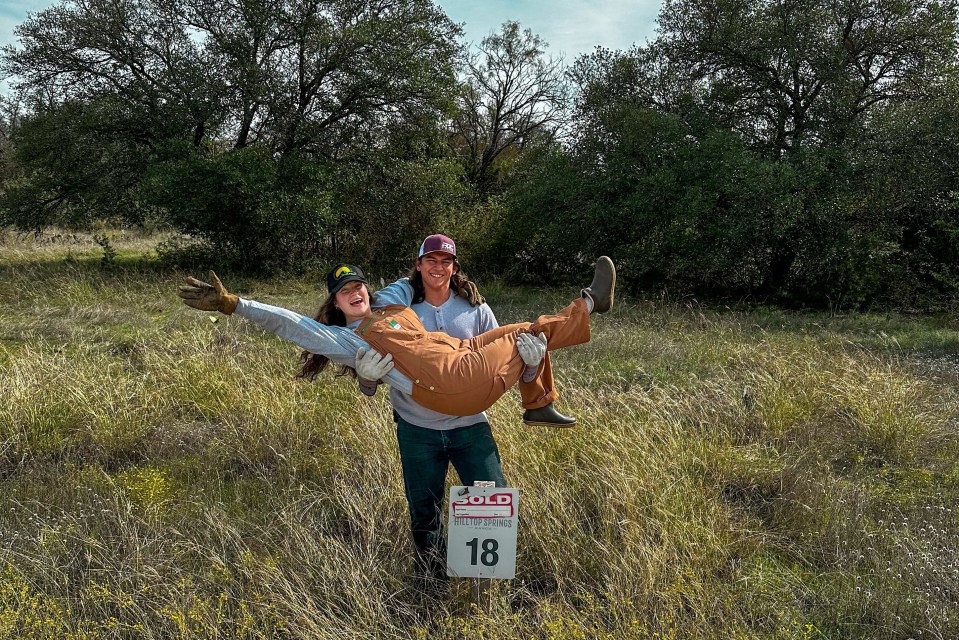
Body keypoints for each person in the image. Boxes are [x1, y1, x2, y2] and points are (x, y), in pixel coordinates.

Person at [351, 234, 574, 581]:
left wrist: (532, 365)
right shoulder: (401, 314)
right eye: (431, 261)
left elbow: (505, 361)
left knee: (490, 503)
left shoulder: (476, 309)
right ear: (419, 264)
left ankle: (484, 587)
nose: (438, 268)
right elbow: (374, 381)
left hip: (470, 429)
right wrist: (365, 378)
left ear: (454, 268)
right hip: (417, 430)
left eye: (446, 262)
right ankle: (431, 581)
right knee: (425, 510)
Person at [177, 256, 615, 420]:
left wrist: (450, 277)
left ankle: (539, 403)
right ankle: (590, 304)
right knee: (532, 333)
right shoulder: (347, 340)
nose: (355, 293)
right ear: (336, 303)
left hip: (462, 357)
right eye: (345, 292)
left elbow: (416, 278)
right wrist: (236, 304)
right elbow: (292, 325)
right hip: (448, 386)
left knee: (525, 332)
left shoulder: (390, 303)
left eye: (359, 286)